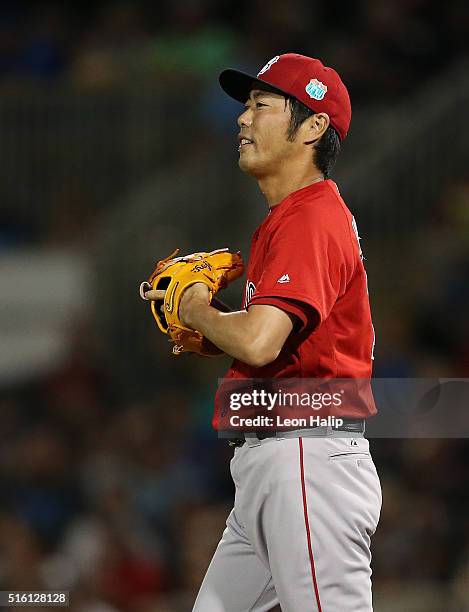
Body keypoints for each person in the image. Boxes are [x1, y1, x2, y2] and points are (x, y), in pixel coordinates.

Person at [146, 53, 382, 612]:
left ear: (314, 125)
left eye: (261, 105)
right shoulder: (292, 218)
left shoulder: (310, 217)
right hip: (277, 466)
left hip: (305, 462)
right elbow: (265, 343)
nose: (242, 119)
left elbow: (258, 341)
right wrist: (217, 326)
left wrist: (200, 308)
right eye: (245, 106)